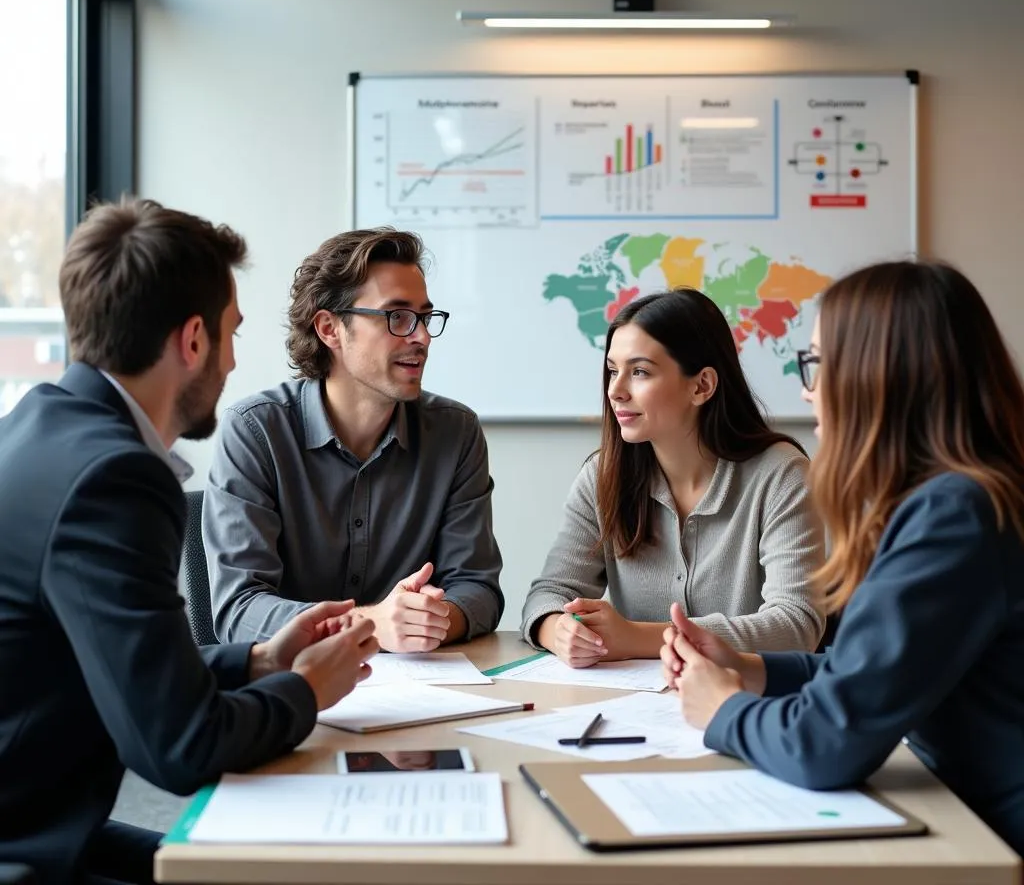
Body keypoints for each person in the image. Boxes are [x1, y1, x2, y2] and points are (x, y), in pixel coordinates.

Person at [0, 199, 379, 885]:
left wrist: (260, 660)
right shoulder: (113, 478)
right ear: (194, 340)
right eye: (232, 334)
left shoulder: (37, 426)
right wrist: (306, 690)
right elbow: (181, 744)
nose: (236, 361)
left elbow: (128, 662)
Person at [661, 261, 1024, 856]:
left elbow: (826, 743)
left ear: (878, 376)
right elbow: (865, 674)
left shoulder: (956, 515)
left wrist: (722, 709)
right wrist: (750, 668)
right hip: (960, 814)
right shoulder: (956, 497)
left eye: (818, 363)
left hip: (987, 838)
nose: (808, 388)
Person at [203, 226, 503, 653]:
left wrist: (431, 619)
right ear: (329, 328)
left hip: (423, 691)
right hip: (293, 690)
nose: (420, 337)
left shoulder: (456, 433)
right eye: (397, 317)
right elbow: (239, 610)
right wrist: (370, 623)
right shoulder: (255, 432)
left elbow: (477, 588)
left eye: (424, 317)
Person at [521, 288, 825, 667]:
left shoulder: (782, 475)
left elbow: (797, 626)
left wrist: (638, 637)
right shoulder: (601, 476)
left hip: (743, 705)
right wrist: (559, 630)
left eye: (640, 372)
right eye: (613, 371)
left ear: (702, 386)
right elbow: (549, 593)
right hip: (635, 706)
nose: (615, 391)